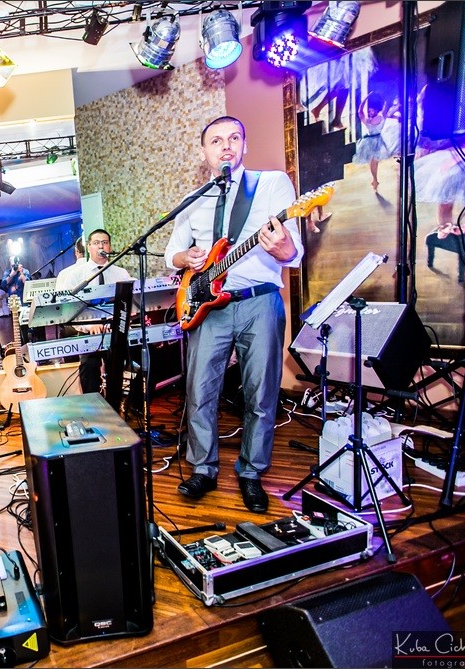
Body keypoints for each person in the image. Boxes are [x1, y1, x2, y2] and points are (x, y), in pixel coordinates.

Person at [163, 116, 303, 514]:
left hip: (259, 301)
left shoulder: (272, 184)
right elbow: (171, 254)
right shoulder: (194, 198)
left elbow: (294, 252)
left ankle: (252, 472)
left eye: (234, 138)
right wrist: (186, 258)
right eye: (216, 140)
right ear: (203, 152)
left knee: (261, 393)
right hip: (207, 306)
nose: (226, 145)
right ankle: (203, 469)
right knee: (200, 391)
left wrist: (283, 250)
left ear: (244, 145)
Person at [54, 229, 132, 394]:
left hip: (114, 332)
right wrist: (90, 326)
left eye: (104, 242)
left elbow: (131, 303)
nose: (101, 246)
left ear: (110, 247)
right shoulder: (75, 275)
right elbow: (68, 310)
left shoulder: (121, 274)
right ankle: (93, 405)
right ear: (89, 247)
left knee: (124, 364)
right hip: (87, 333)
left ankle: (118, 402)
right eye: (96, 243)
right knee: (89, 366)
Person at [353, 92, 398, 192]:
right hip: (369, 142)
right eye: (369, 111)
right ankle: (375, 179)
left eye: (371, 110)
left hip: (377, 141)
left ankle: (375, 180)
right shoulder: (368, 120)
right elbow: (360, 112)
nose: (369, 112)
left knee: (374, 162)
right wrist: (366, 98)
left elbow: (386, 106)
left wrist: (384, 98)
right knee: (373, 162)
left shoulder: (382, 116)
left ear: (376, 110)